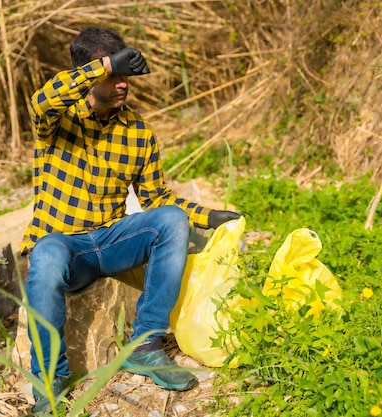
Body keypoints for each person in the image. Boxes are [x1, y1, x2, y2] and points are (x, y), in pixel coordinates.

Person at [21, 26, 240, 413]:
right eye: (114, 75)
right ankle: (50, 383)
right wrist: (104, 65)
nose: (123, 84)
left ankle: (146, 346)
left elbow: (157, 198)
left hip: (111, 240)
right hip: (64, 245)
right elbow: (42, 100)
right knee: (47, 256)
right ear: (89, 72)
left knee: (171, 219)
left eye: (126, 74)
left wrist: (209, 217)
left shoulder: (138, 131)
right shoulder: (57, 119)